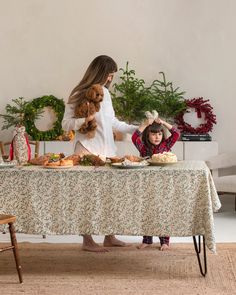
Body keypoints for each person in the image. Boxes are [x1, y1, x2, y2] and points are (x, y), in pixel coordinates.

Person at [62, 55, 137, 252]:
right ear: (101, 73)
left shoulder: (105, 94)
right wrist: (85, 120)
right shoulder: (78, 93)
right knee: (87, 196)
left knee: (110, 195)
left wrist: (136, 129)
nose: (110, 79)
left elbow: (113, 122)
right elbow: (66, 124)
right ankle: (87, 241)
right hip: (86, 150)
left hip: (108, 151)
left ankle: (109, 237)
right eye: (109, 75)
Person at [131, 117, 180, 250]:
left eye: (159, 134)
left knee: (162, 211)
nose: (157, 137)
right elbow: (135, 137)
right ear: (148, 135)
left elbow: (176, 133)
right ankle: (147, 239)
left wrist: (163, 122)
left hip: (164, 184)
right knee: (147, 210)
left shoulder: (166, 145)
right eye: (153, 134)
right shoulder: (144, 148)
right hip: (147, 184)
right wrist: (145, 124)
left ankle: (165, 241)